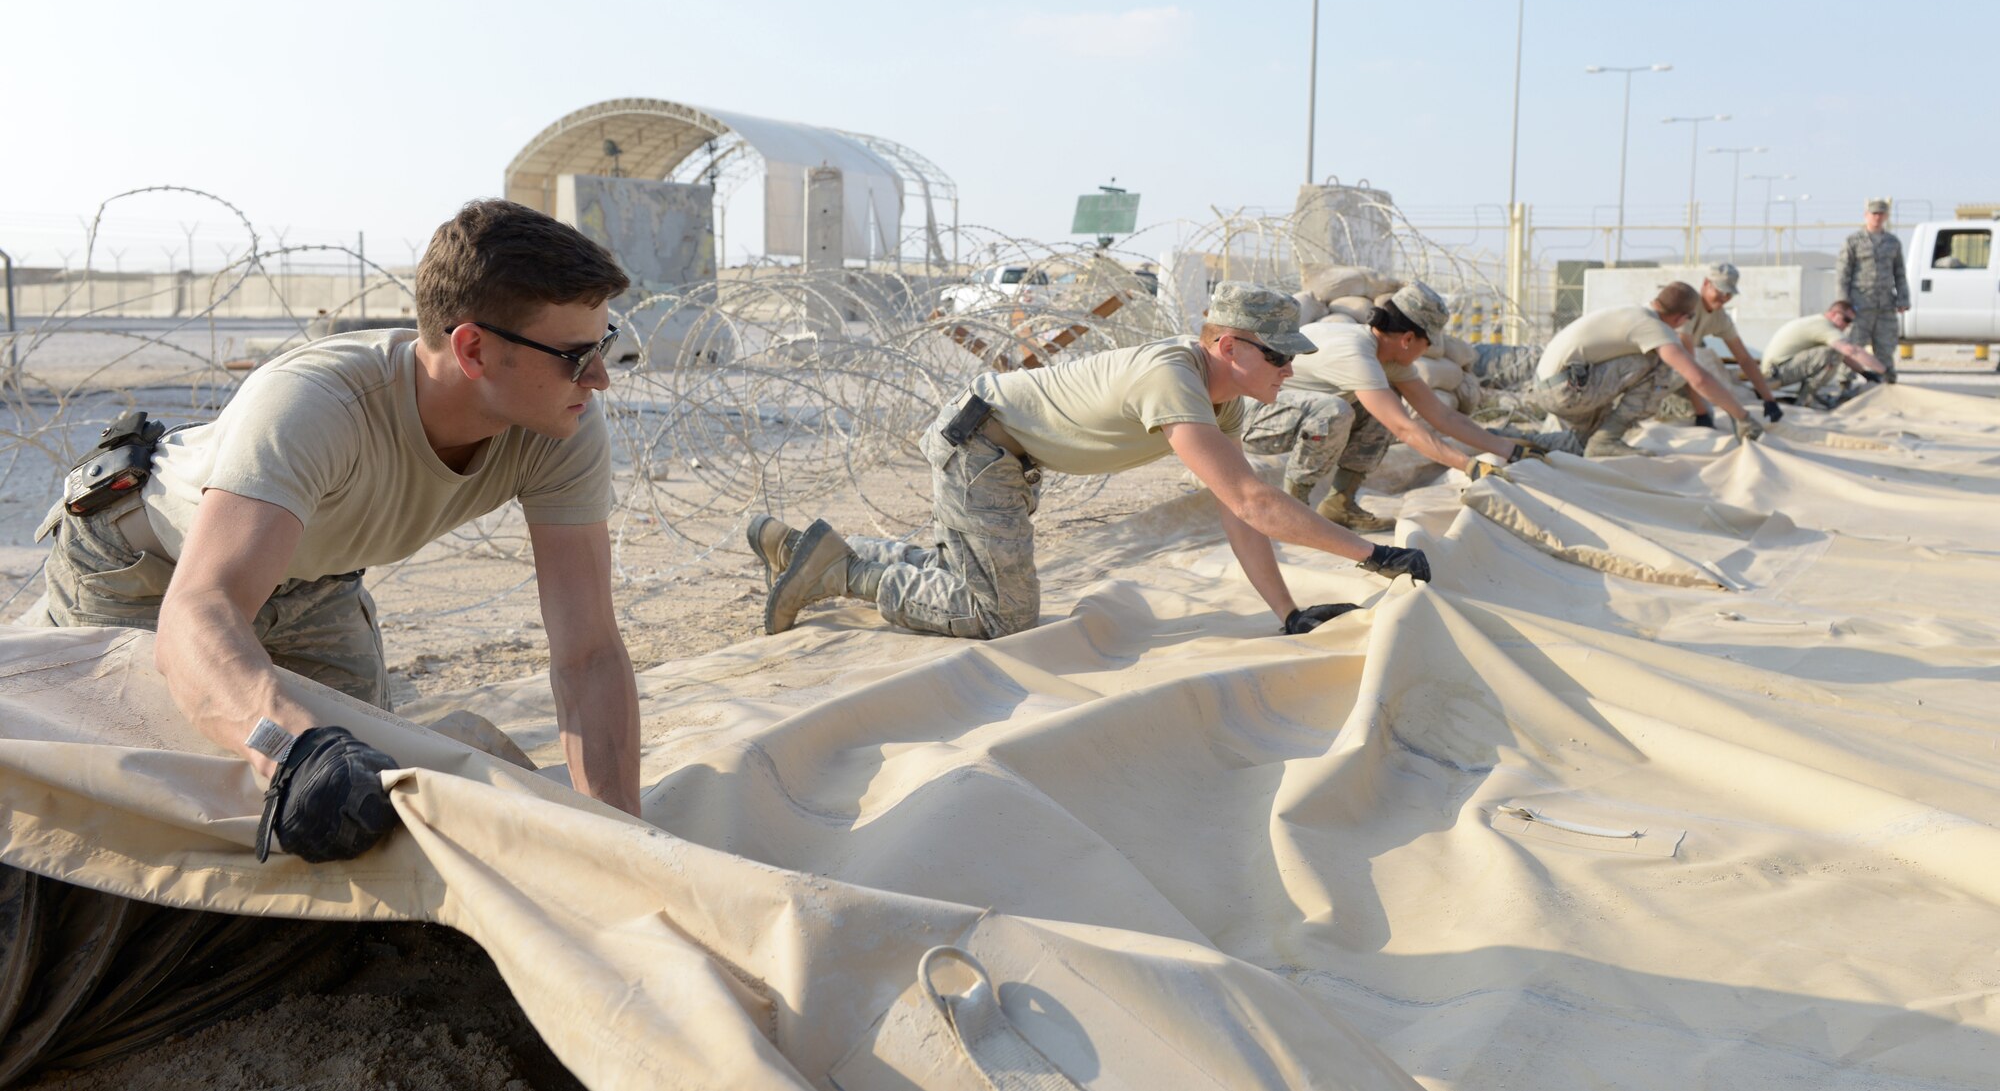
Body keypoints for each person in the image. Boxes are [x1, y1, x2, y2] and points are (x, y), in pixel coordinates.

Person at [33, 198, 644, 864]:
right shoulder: (315, 406)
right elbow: (196, 617)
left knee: (367, 799)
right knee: (130, 809)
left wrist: (627, 847)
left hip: (312, 579)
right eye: (578, 355)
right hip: (147, 564)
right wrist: (293, 748)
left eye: (605, 346)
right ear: (472, 348)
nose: (601, 379)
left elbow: (587, 654)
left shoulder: (563, 423)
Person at [749, 282, 1434, 642]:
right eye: (1279, 355)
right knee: (998, 615)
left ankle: (812, 551)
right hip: (980, 445)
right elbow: (1256, 502)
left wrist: (1286, 612)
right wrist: (1372, 555)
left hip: (1000, 452)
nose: (1291, 368)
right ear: (1229, 346)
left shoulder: (1220, 400)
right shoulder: (1173, 374)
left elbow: (1237, 507)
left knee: (974, 575)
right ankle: (841, 571)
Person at [1239, 281, 1538, 530]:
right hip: (1254, 420)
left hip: (1289, 413)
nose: (1425, 354)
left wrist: (1508, 450)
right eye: (1426, 346)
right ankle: (1294, 512)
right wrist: (1471, 467)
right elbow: (1403, 427)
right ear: (1409, 339)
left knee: (1381, 406)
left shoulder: (1387, 356)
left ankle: (1340, 504)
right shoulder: (1356, 352)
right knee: (1336, 410)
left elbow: (1442, 415)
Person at [1521, 280, 1764, 456]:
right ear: (1682, 317)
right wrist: (1742, 416)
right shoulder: (1653, 327)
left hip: (1554, 386)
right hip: (1566, 390)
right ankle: (1609, 438)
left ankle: (1506, 440)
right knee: (1662, 364)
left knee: (1578, 446)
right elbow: (1697, 377)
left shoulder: (1634, 312)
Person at [1678, 262, 1787, 429]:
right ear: (1706, 283)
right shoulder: (1688, 305)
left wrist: (1768, 399)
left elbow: (1744, 358)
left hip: (1684, 367)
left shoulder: (1720, 317)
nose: (1724, 297)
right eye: (1720, 290)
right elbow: (1687, 365)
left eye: (1729, 293)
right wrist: (1702, 414)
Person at [1836, 198, 1911, 382]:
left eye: (1881, 214)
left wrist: (1903, 299)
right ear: (1866, 215)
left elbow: (1900, 272)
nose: (1877, 217)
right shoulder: (1853, 241)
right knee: (1853, 348)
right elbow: (1842, 274)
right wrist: (1843, 304)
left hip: (1885, 306)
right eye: (1874, 214)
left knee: (1885, 349)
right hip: (1859, 306)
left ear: (1886, 216)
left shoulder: (1893, 242)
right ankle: (1845, 385)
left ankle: (1887, 384)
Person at [1761, 300, 1887, 407]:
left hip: (1776, 370)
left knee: (1834, 352)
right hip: (1774, 374)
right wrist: (1884, 371)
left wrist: (1864, 373)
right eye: (1846, 320)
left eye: (1850, 322)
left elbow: (1845, 357)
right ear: (1834, 314)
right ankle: (1805, 402)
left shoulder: (1818, 323)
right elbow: (1850, 351)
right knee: (1833, 353)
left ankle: (1809, 398)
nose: (1847, 325)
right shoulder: (1824, 326)